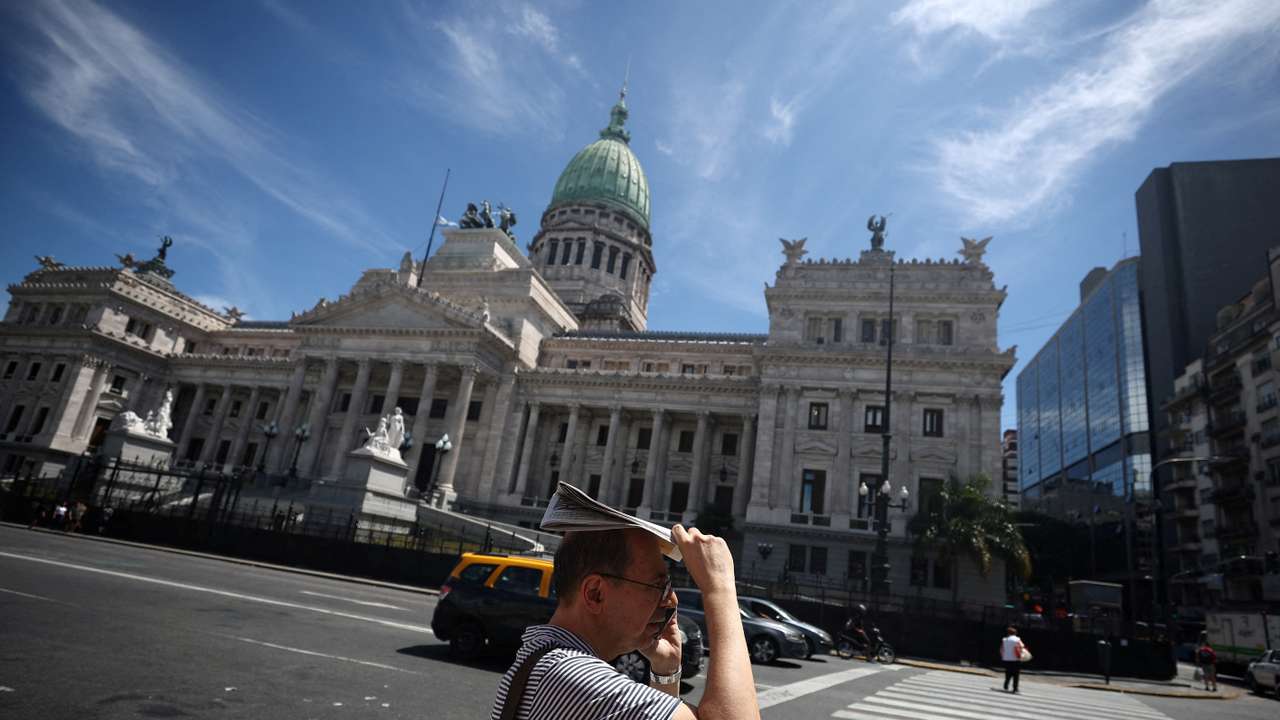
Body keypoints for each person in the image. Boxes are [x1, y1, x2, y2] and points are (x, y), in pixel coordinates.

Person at [491, 525, 760, 720]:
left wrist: (666, 670)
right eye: (658, 585)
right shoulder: (573, 679)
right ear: (595, 594)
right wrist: (720, 590)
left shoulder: (542, 660)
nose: (671, 600)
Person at [1000, 626, 1025, 693]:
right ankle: (1015, 688)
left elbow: (1002, 649)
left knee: (1008, 672)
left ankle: (1006, 684)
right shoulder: (1017, 639)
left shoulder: (1004, 640)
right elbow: (1022, 647)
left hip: (1007, 659)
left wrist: (1003, 656)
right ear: (1015, 633)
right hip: (1015, 659)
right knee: (1016, 674)